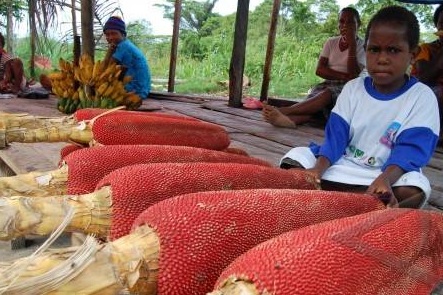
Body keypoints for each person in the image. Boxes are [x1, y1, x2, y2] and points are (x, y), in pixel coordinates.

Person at [279, 6, 440, 209]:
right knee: (295, 158)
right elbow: (335, 137)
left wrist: (385, 180)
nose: (382, 59)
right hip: (341, 165)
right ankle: (363, 203)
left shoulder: (421, 97)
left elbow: (411, 150)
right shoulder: (353, 89)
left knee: (414, 188)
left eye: (393, 50)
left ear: (412, 55)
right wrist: (318, 169)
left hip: (388, 174)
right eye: (374, 49)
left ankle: (337, 200)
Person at [262, 7, 366, 128]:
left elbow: (353, 76)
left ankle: (283, 111)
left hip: (349, 87)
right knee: (311, 109)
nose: (345, 25)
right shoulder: (331, 42)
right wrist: (344, 76)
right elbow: (320, 70)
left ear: (359, 24)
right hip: (329, 83)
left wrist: (352, 44)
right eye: (342, 21)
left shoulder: (363, 45)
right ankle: (287, 121)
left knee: (328, 93)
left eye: (350, 22)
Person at [411, 4, 443, 145]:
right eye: (442, 23)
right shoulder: (425, 49)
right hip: (429, 91)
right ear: (437, 26)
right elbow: (424, 77)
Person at [102, 16, 151, 100]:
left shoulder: (123, 46)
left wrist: (109, 51)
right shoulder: (126, 44)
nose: (110, 38)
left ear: (123, 34)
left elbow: (106, 69)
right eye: (107, 34)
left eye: (114, 33)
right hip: (142, 90)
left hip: (135, 92)